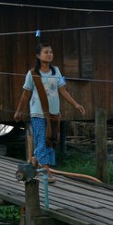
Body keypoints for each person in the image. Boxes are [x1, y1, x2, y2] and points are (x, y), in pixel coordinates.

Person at [13, 43, 86, 179]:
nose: (49, 54)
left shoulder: (56, 71)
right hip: (38, 113)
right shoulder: (32, 74)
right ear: (38, 56)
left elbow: (62, 91)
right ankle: (46, 172)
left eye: (51, 52)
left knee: (51, 140)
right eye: (46, 52)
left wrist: (75, 104)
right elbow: (26, 94)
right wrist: (18, 111)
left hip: (53, 114)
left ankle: (35, 160)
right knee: (42, 140)